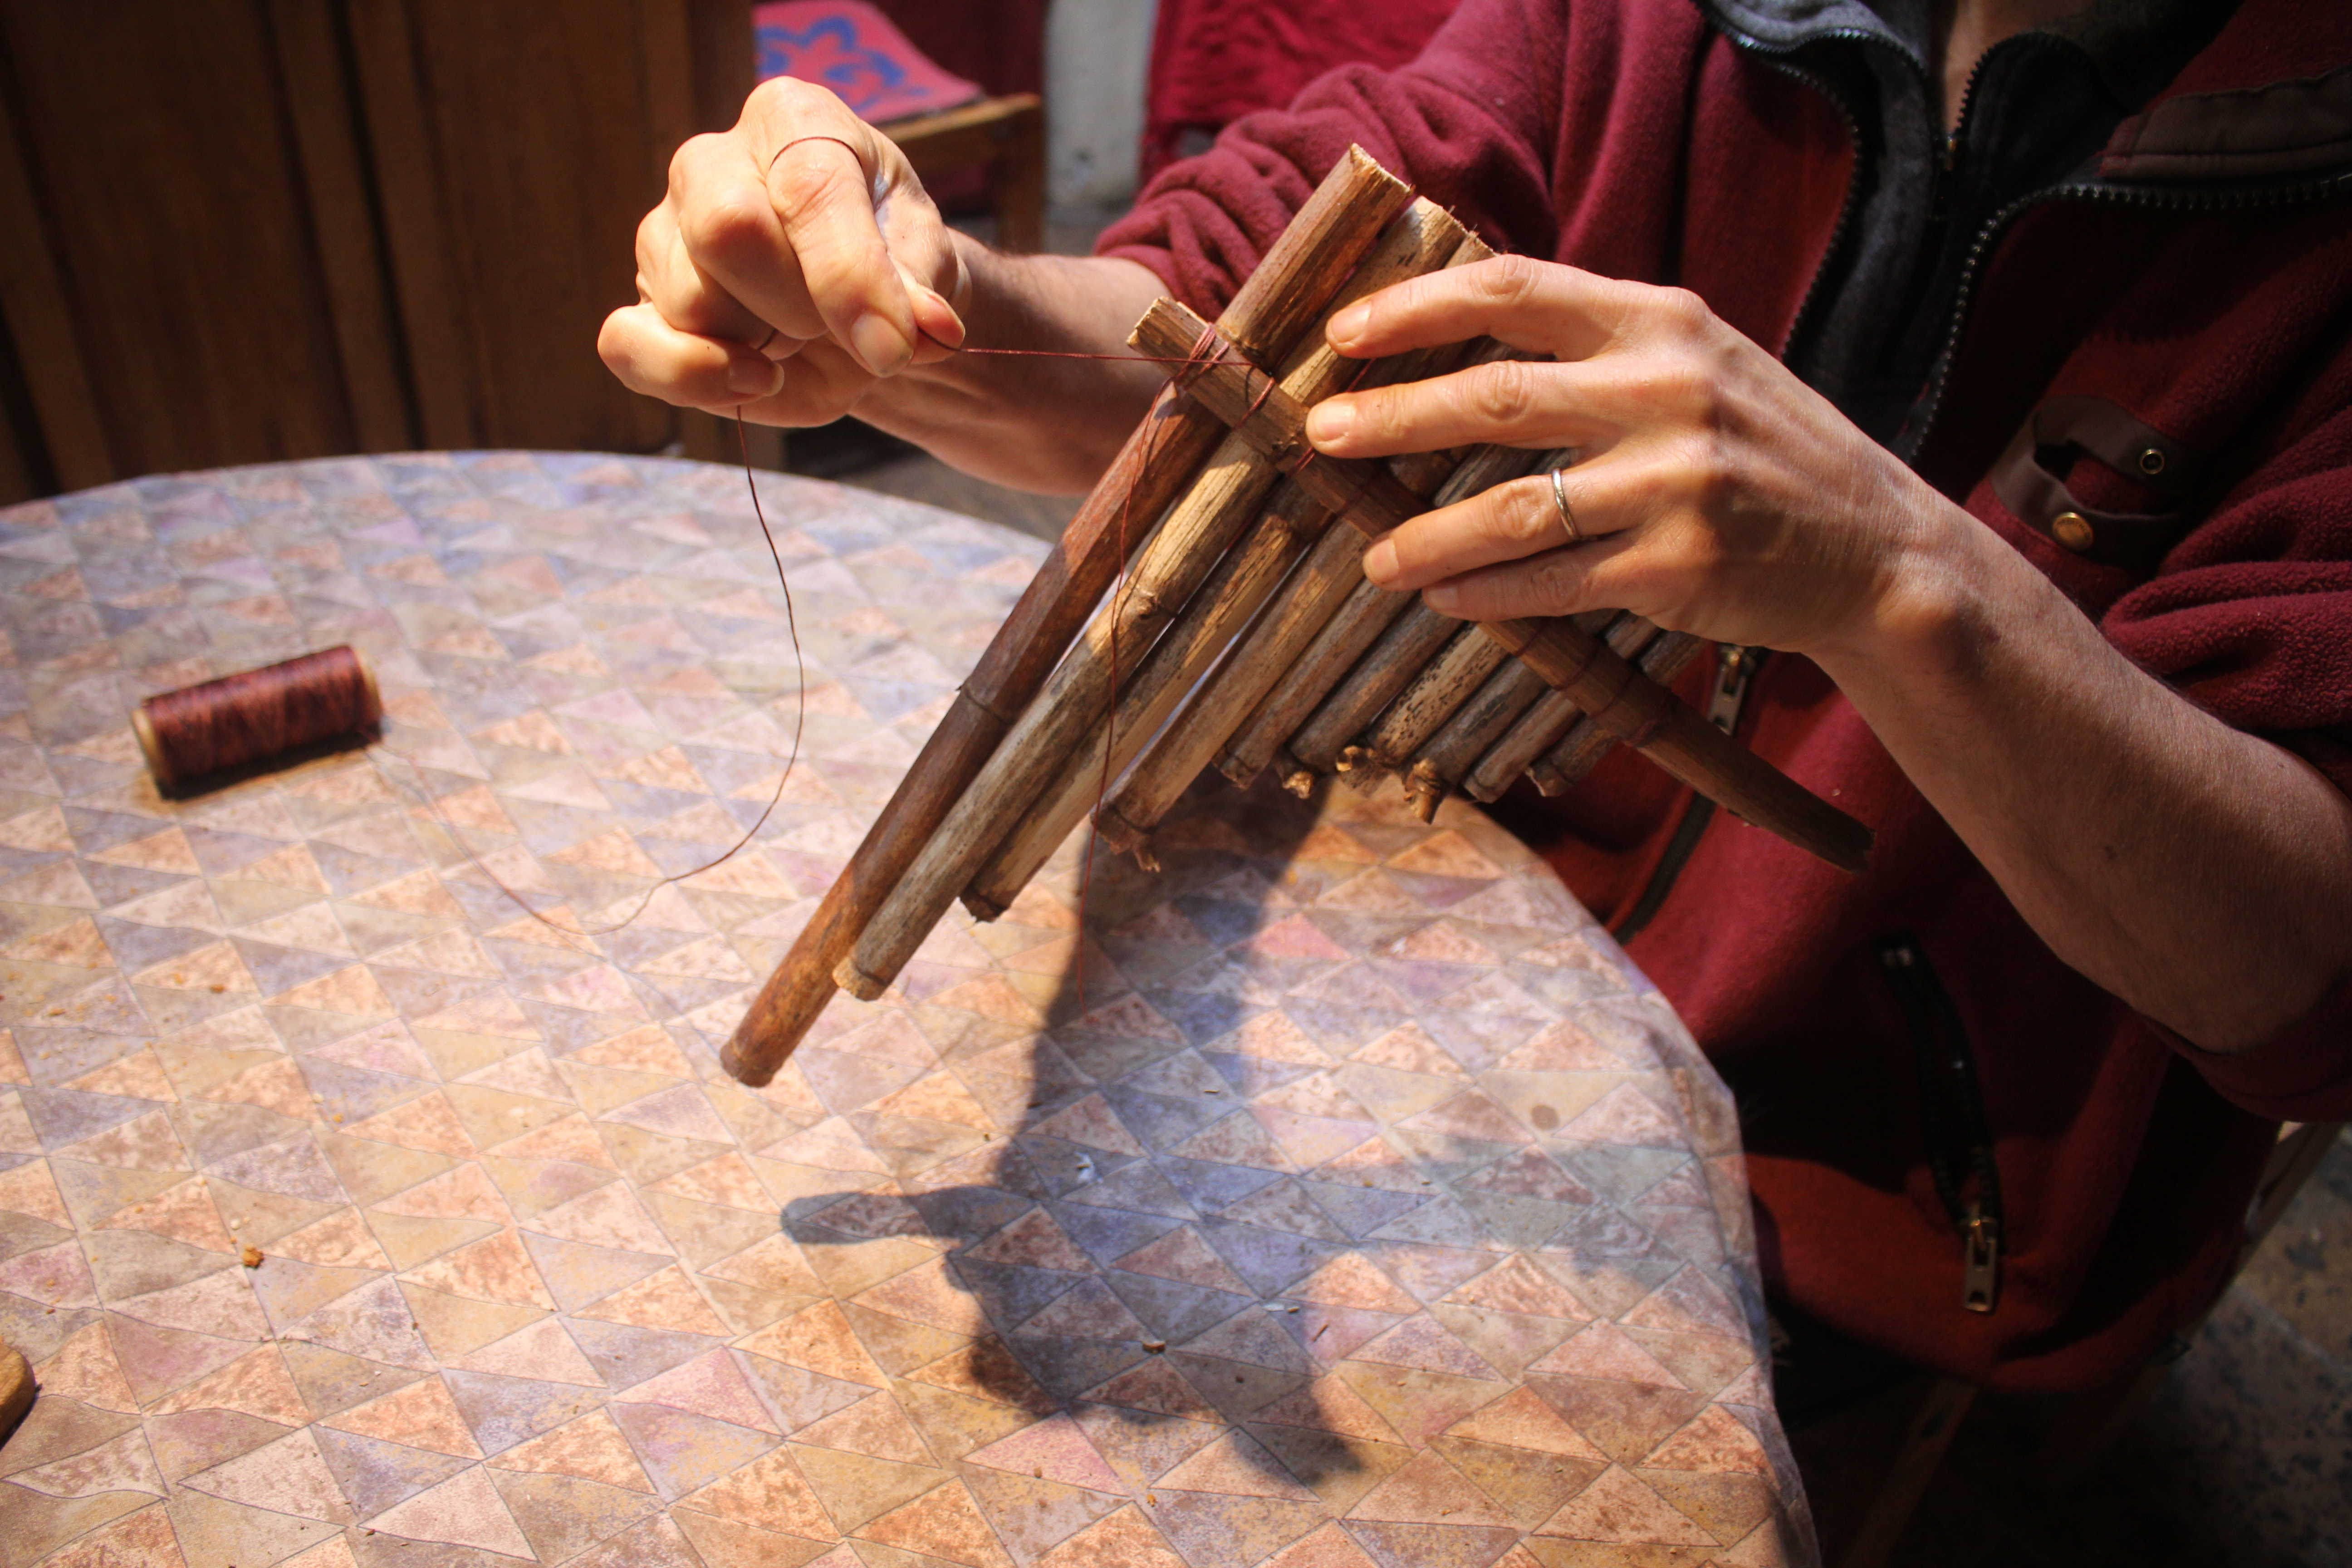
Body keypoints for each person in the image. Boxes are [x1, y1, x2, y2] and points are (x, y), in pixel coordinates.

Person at [600, 0, 2352, 1395]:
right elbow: (1231, 304)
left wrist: (1902, 583)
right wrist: (941, 308)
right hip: (1446, 955)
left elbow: (2308, 982)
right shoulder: (1641, 18)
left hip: (1875, 1202)